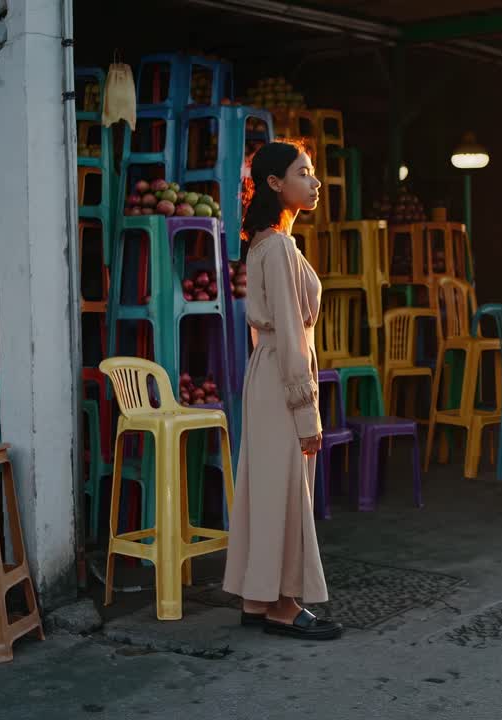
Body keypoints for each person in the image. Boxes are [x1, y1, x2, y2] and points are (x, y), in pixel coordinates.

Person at [222, 141, 342, 640]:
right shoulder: (279, 247)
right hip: (280, 377)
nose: (314, 182)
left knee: (267, 489)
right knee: (288, 491)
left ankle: (257, 597)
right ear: (275, 183)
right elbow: (291, 334)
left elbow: (272, 332)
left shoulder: (266, 244)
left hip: (265, 372)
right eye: (303, 173)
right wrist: (306, 412)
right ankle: (283, 605)